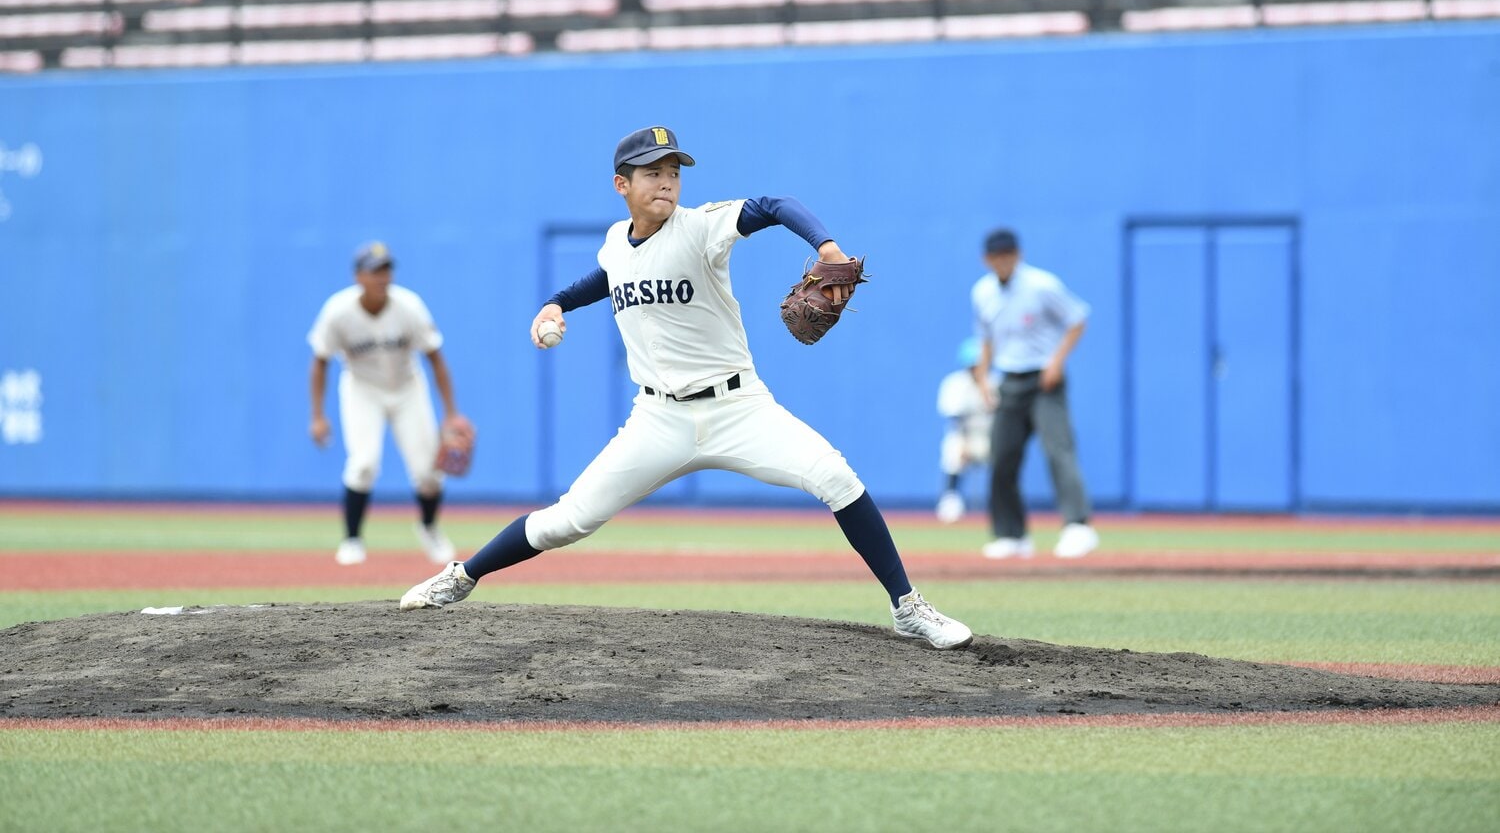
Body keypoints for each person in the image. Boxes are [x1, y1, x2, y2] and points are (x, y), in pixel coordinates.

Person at [399, 125, 973, 650]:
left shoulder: (700, 228)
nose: (667, 182)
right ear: (622, 185)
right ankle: (461, 576)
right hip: (657, 421)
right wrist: (557, 303)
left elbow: (774, 205)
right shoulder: (615, 242)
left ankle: (908, 607)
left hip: (740, 407)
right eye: (653, 172)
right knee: (567, 520)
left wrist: (826, 248)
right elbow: (610, 273)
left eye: (674, 171)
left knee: (836, 477)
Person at [308, 241, 472, 566]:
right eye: (375, 271)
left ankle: (429, 528)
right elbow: (320, 362)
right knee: (363, 464)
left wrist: (451, 413)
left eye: (386, 270)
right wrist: (317, 415)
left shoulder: (409, 306)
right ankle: (352, 540)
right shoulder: (338, 311)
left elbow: (436, 359)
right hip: (362, 388)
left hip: (408, 387)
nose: (383, 277)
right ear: (358, 276)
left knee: (428, 473)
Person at [971, 228, 1097, 559]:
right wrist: (983, 378)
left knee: (1058, 449)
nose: (1003, 261)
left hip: (1044, 379)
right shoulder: (982, 292)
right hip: (1009, 379)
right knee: (1002, 456)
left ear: (1019, 255)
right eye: (997, 256)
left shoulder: (1042, 285)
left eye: (1008, 255)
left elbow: (1078, 318)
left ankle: (1078, 526)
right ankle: (1011, 535)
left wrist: (1057, 362)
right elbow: (985, 338)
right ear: (987, 260)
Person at [934, 337, 997, 524]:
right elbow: (954, 419)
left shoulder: (996, 383)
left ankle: (1001, 502)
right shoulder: (955, 384)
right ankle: (951, 498)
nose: (977, 369)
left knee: (1006, 452)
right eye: (974, 366)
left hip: (990, 437)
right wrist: (964, 444)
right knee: (953, 448)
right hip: (964, 437)